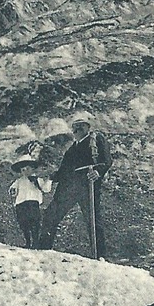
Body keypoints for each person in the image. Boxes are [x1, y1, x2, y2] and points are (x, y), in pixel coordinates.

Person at [38, 111, 112, 258]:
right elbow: (62, 171)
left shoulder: (96, 140)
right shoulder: (71, 150)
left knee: (93, 221)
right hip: (67, 188)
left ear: (87, 127)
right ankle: (43, 249)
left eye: (81, 126)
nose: (77, 130)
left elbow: (107, 160)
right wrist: (49, 178)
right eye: (75, 127)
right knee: (51, 214)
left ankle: (100, 256)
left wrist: (98, 171)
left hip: (87, 186)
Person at [8, 157, 52, 248]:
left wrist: (48, 180)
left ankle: (35, 242)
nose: (25, 171)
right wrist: (13, 190)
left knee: (34, 222)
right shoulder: (19, 181)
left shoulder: (37, 179)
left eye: (27, 169)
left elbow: (46, 189)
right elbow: (13, 189)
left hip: (33, 203)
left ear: (32, 168)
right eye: (23, 170)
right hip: (21, 204)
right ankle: (27, 242)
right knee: (23, 223)